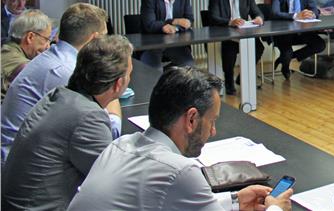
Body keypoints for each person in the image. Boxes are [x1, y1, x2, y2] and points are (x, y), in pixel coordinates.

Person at [67, 67, 291, 211]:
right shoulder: (179, 171)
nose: (213, 131)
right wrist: (275, 208)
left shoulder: (119, 145)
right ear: (191, 119)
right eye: (212, 121)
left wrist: (234, 201)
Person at [2, 35, 132, 210]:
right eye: (129, 74)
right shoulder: (88, 117)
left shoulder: (59, 94)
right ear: (118, 84)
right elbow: (115, 182)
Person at [1, 3, 116, 162]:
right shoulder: (65, 71)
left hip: (19, 152)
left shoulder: (52, 57)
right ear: (93, 39)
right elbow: (105, 130)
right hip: (19, 162)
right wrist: (113, 94)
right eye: (104, 37)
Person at [207, 0, 265, 94]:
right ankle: (229, 82)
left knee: (259, 47)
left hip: (243, 32)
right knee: (229, 51)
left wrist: (258, 18)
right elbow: (212, 17)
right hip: (226, 32)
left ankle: (242, 77)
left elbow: (256, 11)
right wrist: (230, 22)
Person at [271, 0, 326, 80]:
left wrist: (312, 14)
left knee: (320, 44)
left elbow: (313, 7)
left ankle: (284, 59)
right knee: (287, 52)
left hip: (302, 29)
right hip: (284, 31)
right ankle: (285, 64)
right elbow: (274, 13)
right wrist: (295, 16)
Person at [140, 0, 195, 69]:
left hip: (176, 43)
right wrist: (174, 21)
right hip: (153, 45)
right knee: (154, 72)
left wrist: (176, 28)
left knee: (188, 65)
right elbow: (149, 24)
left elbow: (189, 20)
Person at [2, 9, 52, 96]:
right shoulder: (25, 68)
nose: (48, 46)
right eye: (46, 39)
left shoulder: (6, 50)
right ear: (30, 37)